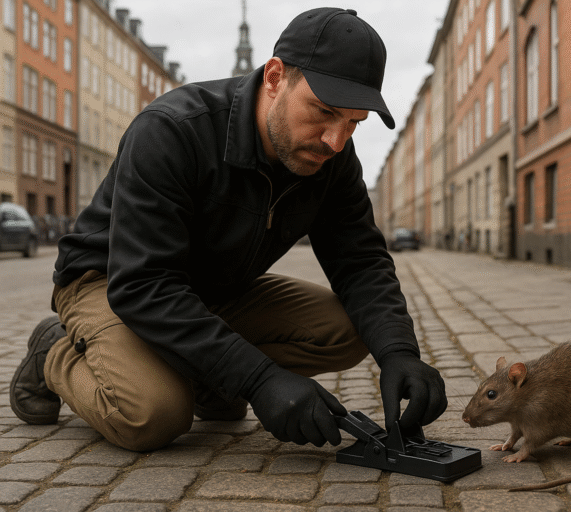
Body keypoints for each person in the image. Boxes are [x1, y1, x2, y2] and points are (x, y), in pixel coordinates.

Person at [10, 7, 447, 451]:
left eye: (353, 124)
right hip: (111, 281)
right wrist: (259, 380)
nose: (334, 140)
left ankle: (201, 373)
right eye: (323, 111)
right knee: (153, 415)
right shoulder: (173, 131)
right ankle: (56, 351)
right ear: (276, 78)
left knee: (351, 329)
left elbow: (360, 260)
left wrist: (399, 353)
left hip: (214, 291)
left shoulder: (331, 158)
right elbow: (143, 284)